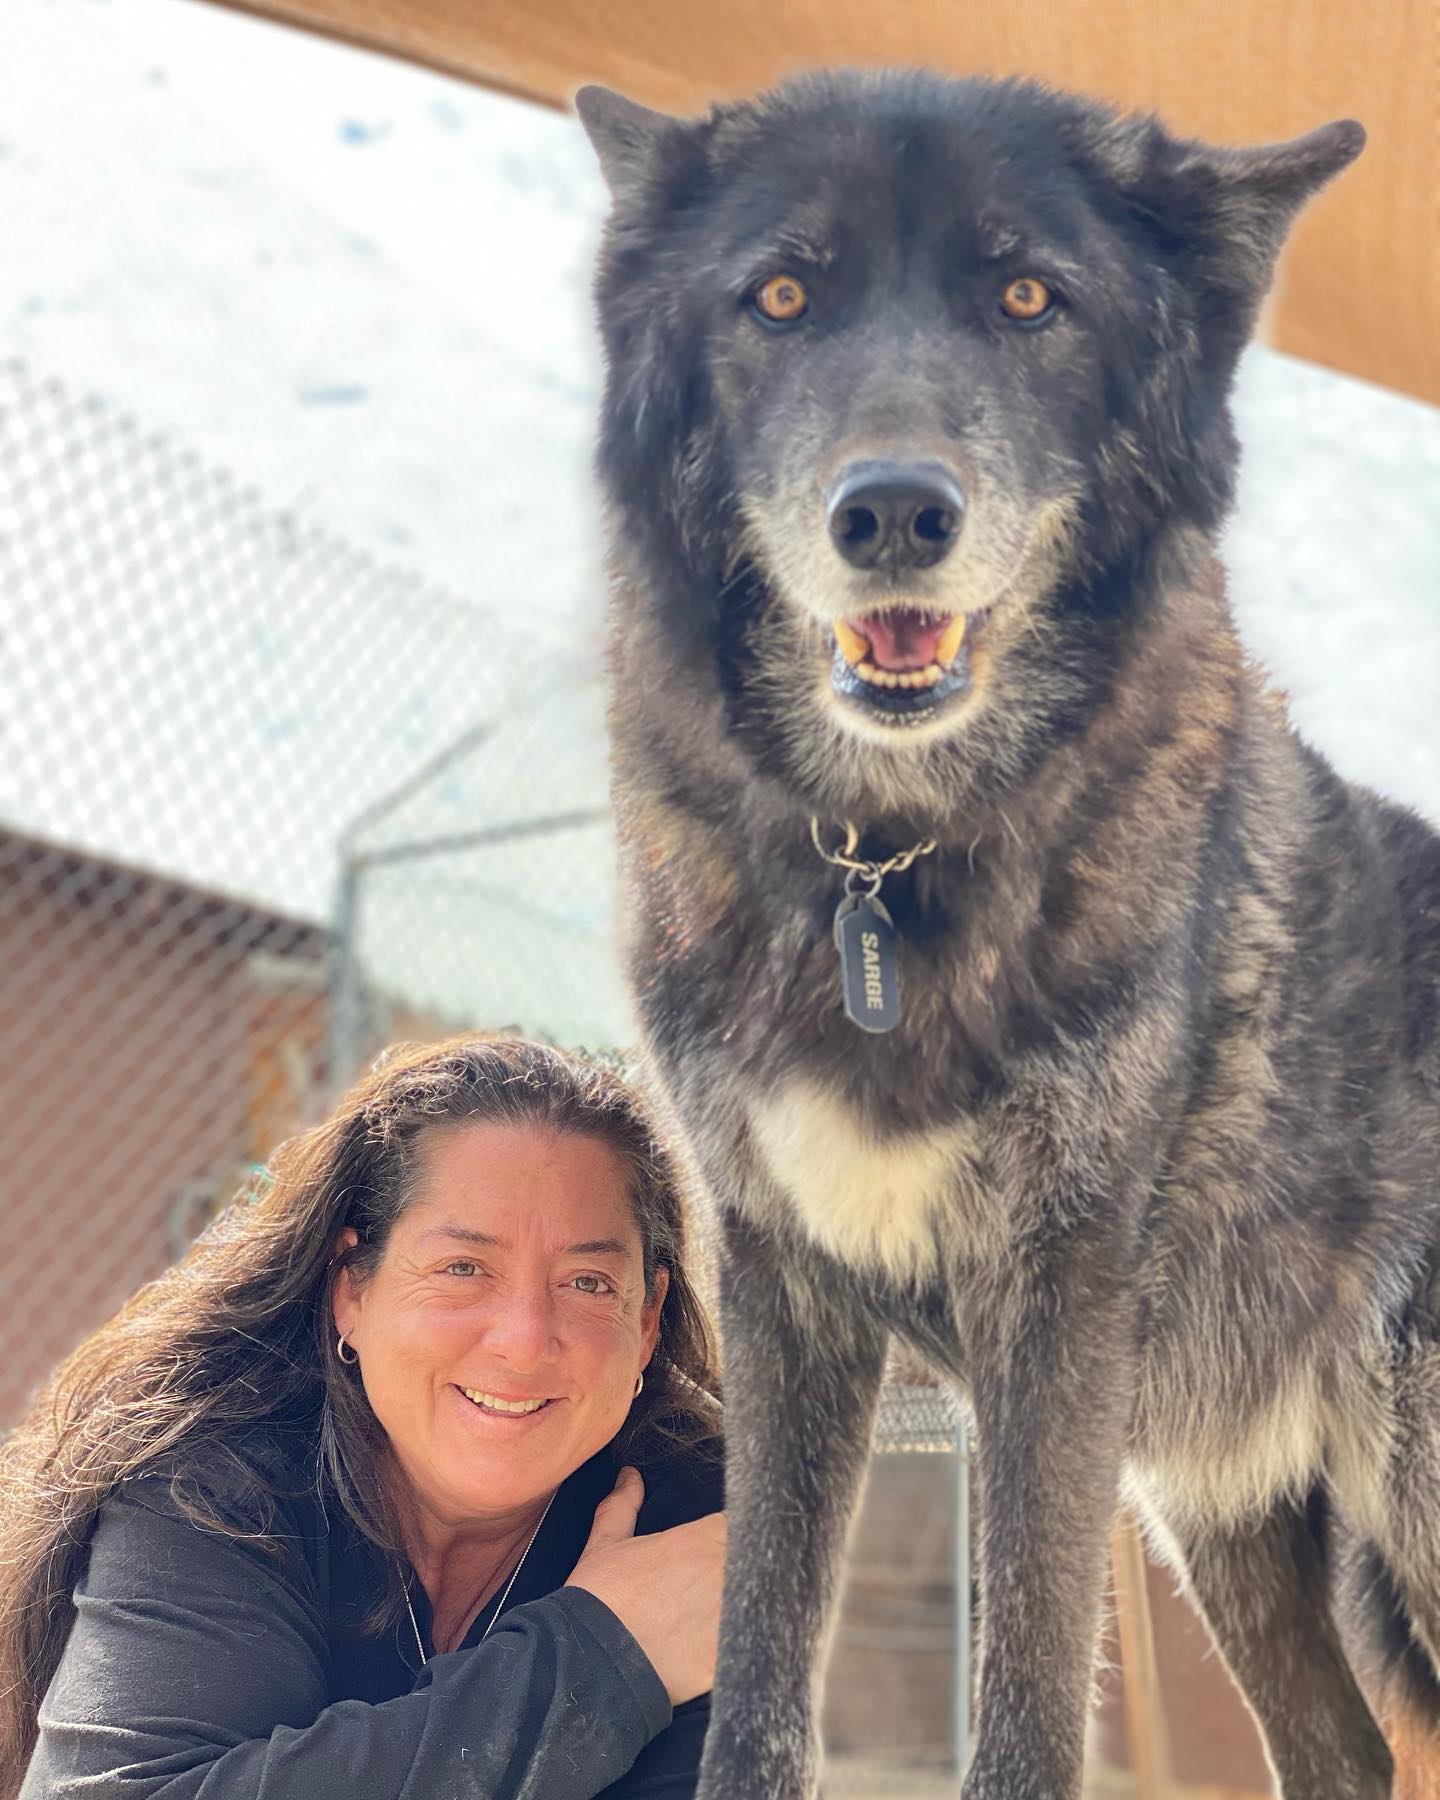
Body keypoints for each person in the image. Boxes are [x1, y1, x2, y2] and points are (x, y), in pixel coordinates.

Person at [0, 1036, 726, 1799]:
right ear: (353, 1288)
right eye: (463, 1268)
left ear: (646, 1322)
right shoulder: (217, 1480)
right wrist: (604, 1658)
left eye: (586, 1282)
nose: (523, 1339)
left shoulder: (701, 1532)